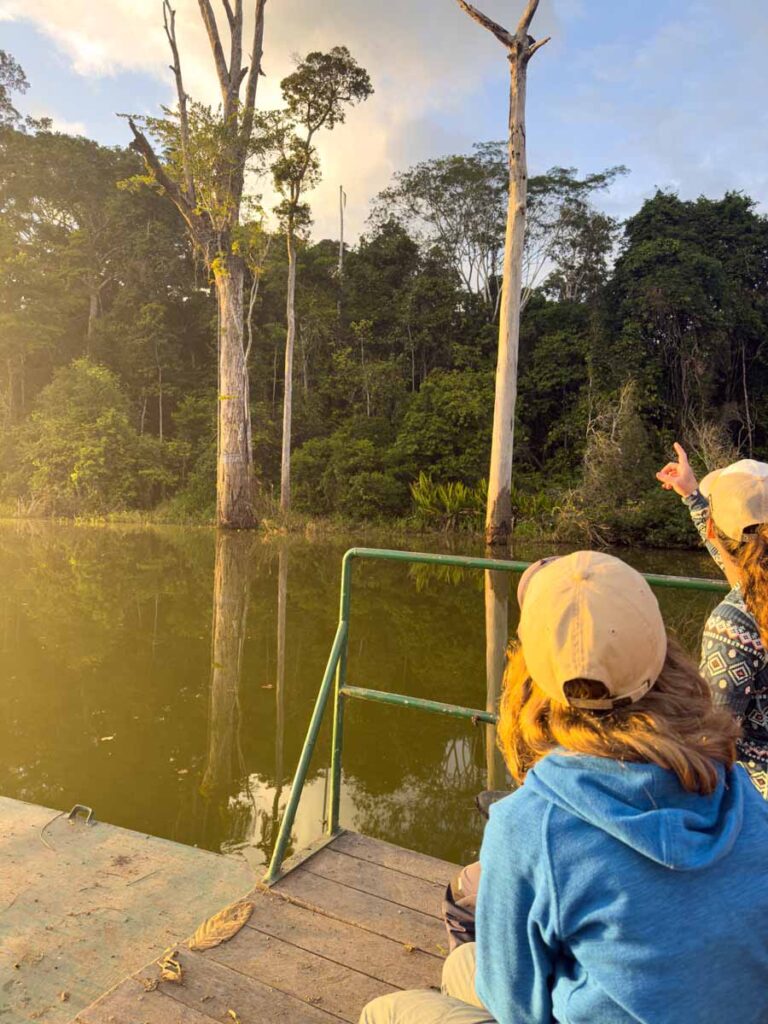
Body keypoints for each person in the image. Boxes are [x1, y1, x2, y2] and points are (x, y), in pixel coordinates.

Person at [359, 551, 768, 1024]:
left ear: (529, 672)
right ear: (663, 653)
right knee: (458, 965)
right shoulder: (734, 783)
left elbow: (516, 1009)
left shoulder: (532, 825)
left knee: (384, 1010)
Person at [657, 444, 768, 797]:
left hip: (755, 804)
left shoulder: (735, 625)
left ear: (713, 533)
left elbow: (712, 740)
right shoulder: (755, 595)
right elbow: (740, 558)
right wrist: (691, 495)